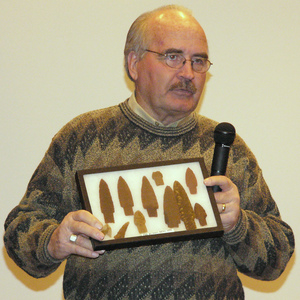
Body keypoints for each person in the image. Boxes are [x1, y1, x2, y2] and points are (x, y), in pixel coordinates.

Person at [4, 5, 294, 300]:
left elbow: (277, 258)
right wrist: (53, 241)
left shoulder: (229, 149)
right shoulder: (81, 138)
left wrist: (238, 225)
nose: (188, 74)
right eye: (173, 57)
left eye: (199, 61)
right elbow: (19, 232)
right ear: (134, 64)